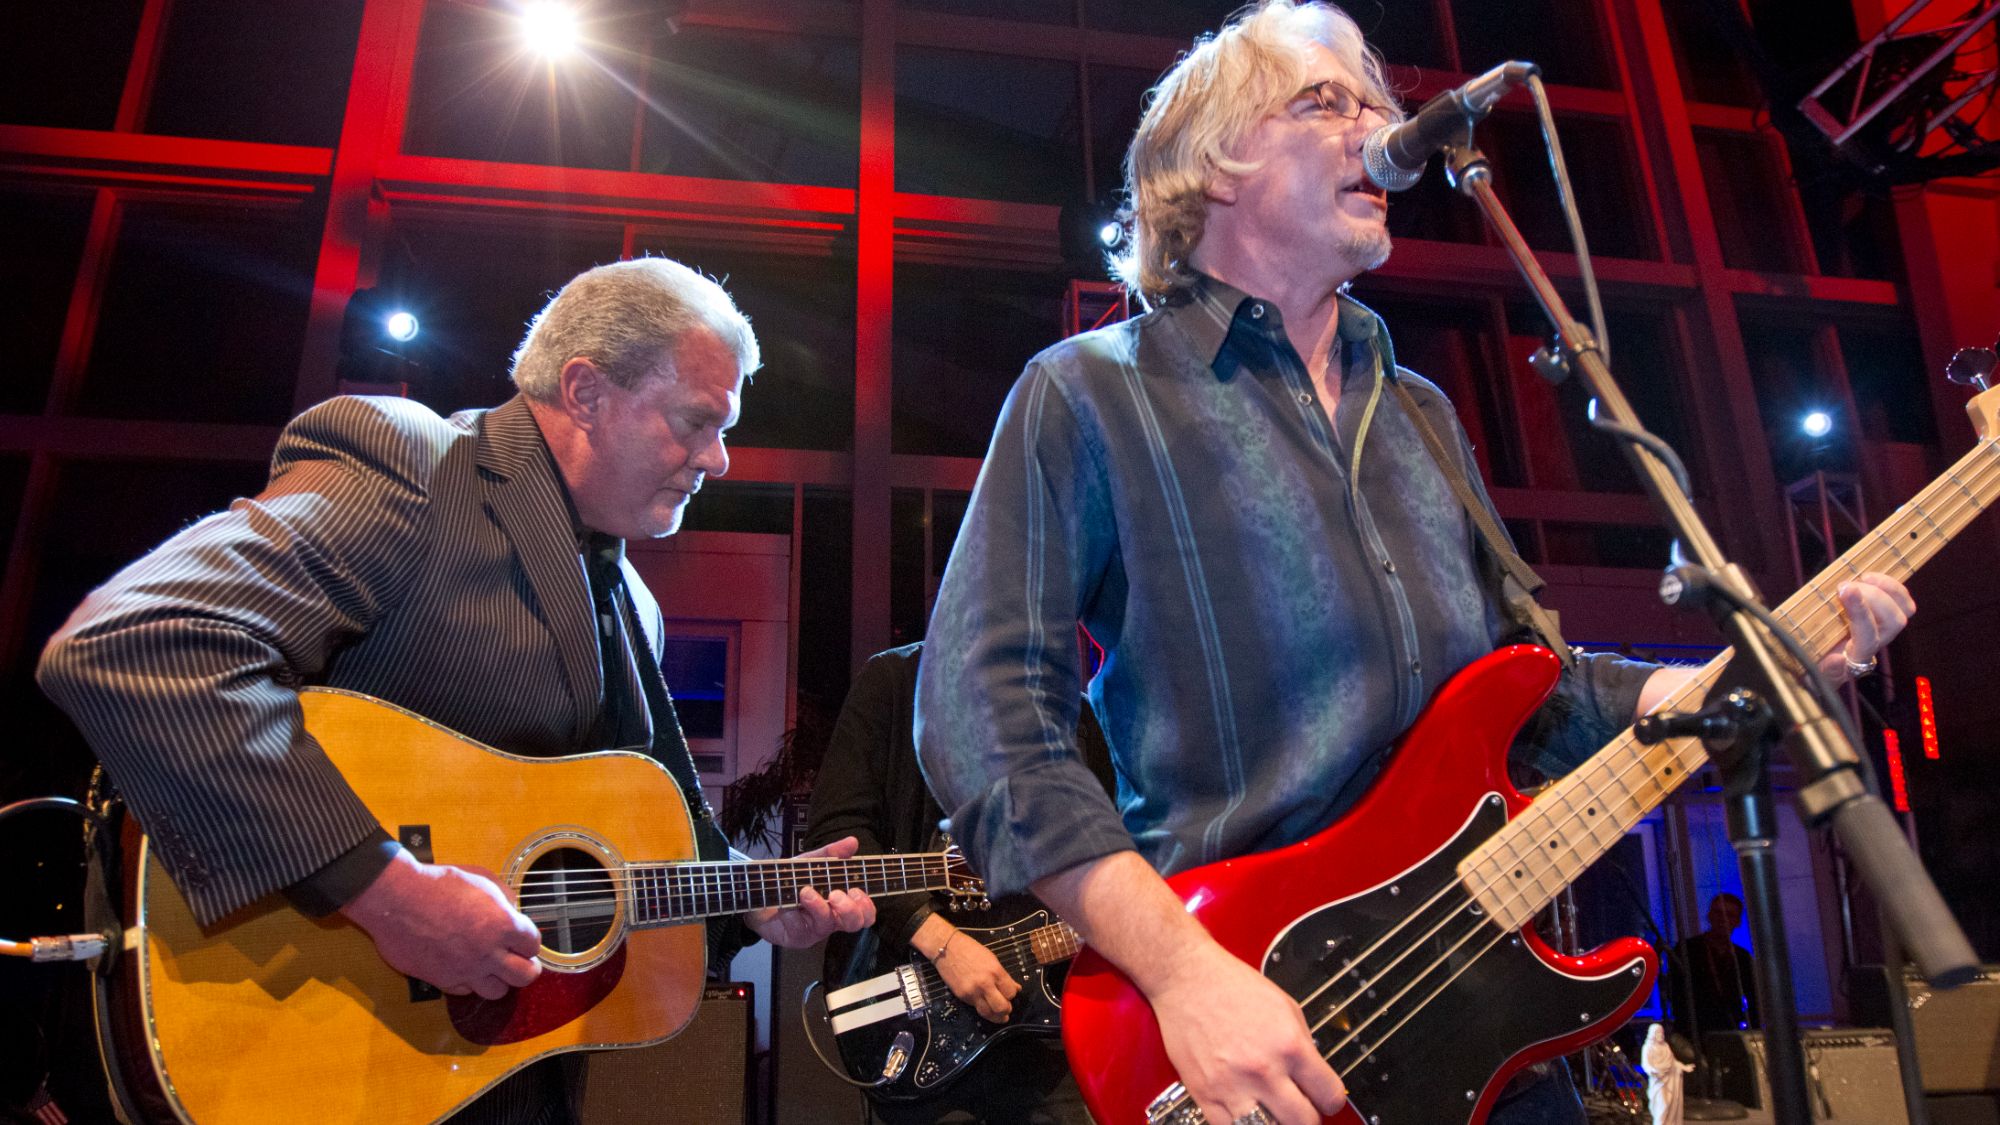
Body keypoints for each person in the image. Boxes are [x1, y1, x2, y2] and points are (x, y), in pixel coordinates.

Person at [912, 5, 1915, 1125]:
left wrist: (1714, 689)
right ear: (1214, 165)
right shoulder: (1089, 393)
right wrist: (1184, 973)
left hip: (1487, 1032)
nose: (1376, 127)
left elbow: (1527, 685)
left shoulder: (1420, 415)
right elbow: (978, 710)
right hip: (1253, 1024)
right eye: (1323, 101)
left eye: (1374, 104)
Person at [36, 258, 877, 1125]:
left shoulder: (639, 609)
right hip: (319, 1059)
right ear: (584, 390)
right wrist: (389, 894)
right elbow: (139, 639)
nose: (720, 459)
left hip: (490, 1085)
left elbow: (611, 864)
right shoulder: (417, 464)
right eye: (696, 422)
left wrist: (751, 902)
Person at [803, 642, 1109, 1125]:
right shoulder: (894, 681)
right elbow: (837, 840)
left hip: (1046, 1028)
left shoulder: (1072, 709)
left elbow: (1106, 855)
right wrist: (941, 941)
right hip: (915, 1010)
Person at [1671, 893, 1760, 1040]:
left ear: (1737, 922)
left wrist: (1753, 1034)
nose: (1723, 920)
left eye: (1729, 915)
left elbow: (1753, 999)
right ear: (1709, 916)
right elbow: (1675, 994)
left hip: (1731, 1033)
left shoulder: (1742, 957)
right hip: (1692, 1034)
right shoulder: (1687, 950)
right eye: (1718, 913)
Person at [1641, 1023, 1694, 1125]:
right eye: (1659, 1033)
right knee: (1663, 1106)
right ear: (1653, 1034)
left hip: (1669, 1081)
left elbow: (1673, 1063)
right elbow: (1646, 1065)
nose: (1661, 1035)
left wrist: (1685, 1068)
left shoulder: (1665, 1046)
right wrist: (1655, 1070)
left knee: (1671, 1105)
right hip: (1659, 1082)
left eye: (1662, 1032)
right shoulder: (1648, 1048)